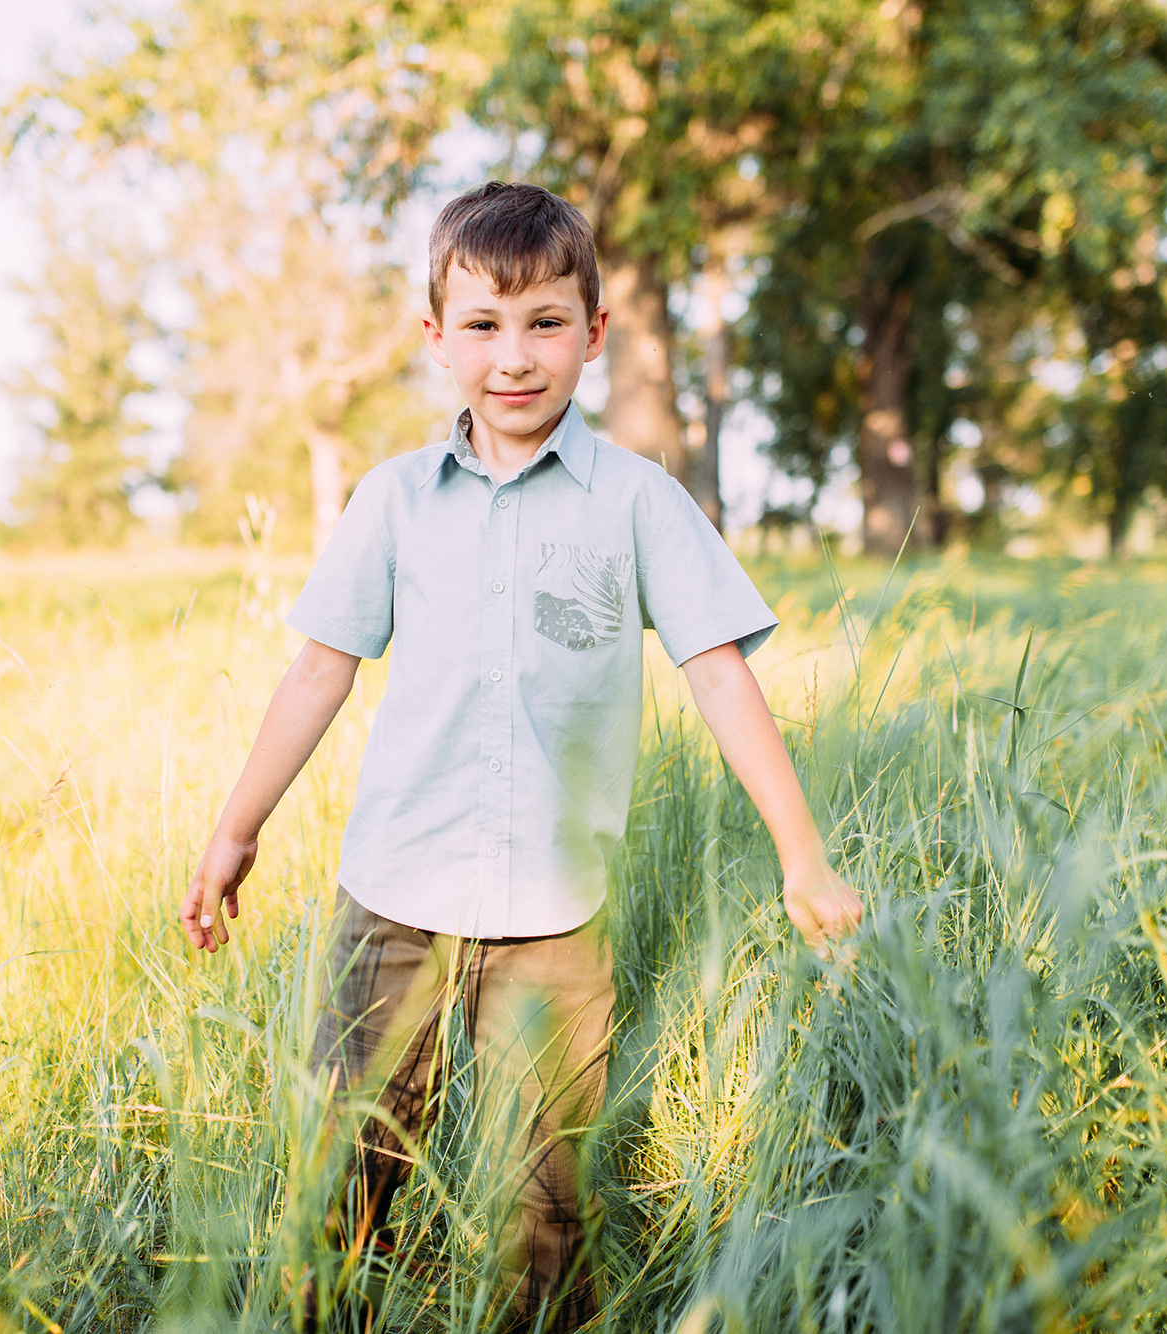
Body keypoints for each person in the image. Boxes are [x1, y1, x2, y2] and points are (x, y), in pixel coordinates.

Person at [181, 181, 863, 1330]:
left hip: (551, 925)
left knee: (539, 1212)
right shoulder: (392, 502)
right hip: (388, 907)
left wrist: (801, 856)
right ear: (434, 336)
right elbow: (316, 671)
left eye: (545, 322)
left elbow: (716, 671)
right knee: (336, 1182)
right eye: (483, 325)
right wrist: (233, 830)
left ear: (593, 335)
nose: (514, 355)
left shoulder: (639, 503)